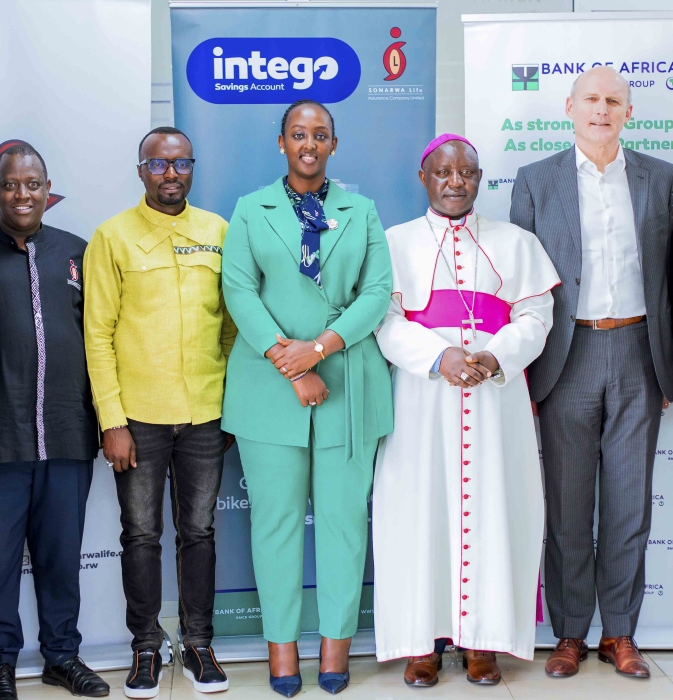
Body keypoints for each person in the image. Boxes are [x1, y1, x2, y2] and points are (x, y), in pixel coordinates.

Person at [509, 66, 673, 679]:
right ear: (570, 107)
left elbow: (672, 279)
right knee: (567, 505)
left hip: (640, 351)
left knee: (629, 506)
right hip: (566, 355)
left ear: (628, 112)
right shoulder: (536, 181)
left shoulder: (659, 179)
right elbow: (521, 284)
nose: (602, 110)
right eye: (591, 99)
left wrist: (672, 367)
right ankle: (569, 633)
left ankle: (621, 633)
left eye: (614, 101)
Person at [372, 134, 559, 686]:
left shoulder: (517, 242)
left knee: (496, 509)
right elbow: (383, 320)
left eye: (467, 173)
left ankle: (484, 641)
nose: (456, 183)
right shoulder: (392, 242)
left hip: (495, 398)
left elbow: (537, 316)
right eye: (444, 173)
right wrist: (439, 356)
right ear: (424, 178)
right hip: (421, 399)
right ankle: (421, 643)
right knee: (418, 513)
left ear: (480, 179)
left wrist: (494, 355)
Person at [221, 99, 394, 697]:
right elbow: (239, 292)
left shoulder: (362, 211)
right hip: (270, 389)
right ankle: (281, 650)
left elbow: (376, 294)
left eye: (320, 135)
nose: (309, 144)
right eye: (299, 134)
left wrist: (317, 351)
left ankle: (336, 647)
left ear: (334, 145)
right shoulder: (250, 210)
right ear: (282, 143)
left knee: (345, 525)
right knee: (275, 525)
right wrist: (290, 364)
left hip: (351, 386)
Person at [83, 126, 234, 698]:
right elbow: (97, 334)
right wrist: (112, 421)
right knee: (141, 534)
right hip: (138, 418)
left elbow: (231, 325)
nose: (171, 174)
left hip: (204, 414)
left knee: (199, 531)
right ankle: (146, 645)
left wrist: (223, 403)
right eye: (158, 164)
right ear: (140, 169)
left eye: (181, 164)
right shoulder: (112, 236)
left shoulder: (217, 231)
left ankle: (198, 642)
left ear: (192, 168)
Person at [0, 141, 110, 700]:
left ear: (48, 191)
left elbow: (99, 336)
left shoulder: (77, 251)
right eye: (10, 184)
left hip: (68, 434)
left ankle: (62, 657)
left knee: (59, 557)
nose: (22, 194)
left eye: (32, 185)